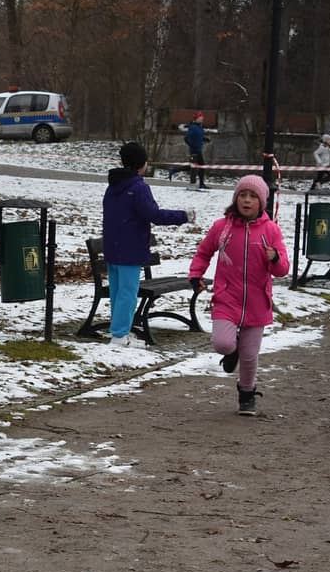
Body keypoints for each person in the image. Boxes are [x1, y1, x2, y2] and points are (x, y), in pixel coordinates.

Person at [188, 175, 290, 416]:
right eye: (242, 195)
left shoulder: (270, 231)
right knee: (223, 343)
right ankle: (231, 350)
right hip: (227, 297)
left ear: (261, 202)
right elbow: (204, 252)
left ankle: (247, 394)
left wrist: (275, 258)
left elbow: (282, 270)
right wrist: (195, 274)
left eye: (253, 196)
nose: (246, 200)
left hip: (257, 302)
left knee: (250, 356)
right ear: (235, 199)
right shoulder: (222, 227)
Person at [102, 141, 194, 348]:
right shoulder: (138, 187)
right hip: (130, 249)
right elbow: (154, 215)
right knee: (128, 293)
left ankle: (119, 331)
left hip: (112, 248)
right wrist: (183, 216)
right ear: (141, 164)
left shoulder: (113, 186)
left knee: (117, 292)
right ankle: (119, 336)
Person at [169, 111, 210, 189]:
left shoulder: (200, 127)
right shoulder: (192, 127)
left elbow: (199, 137)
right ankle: (201, 184)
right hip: (194, 151)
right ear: (196, 118)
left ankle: (173, 170)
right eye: (200, 117)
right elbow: (186, 138)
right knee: (199, 166)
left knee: (193, 166)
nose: (202, 118)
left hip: (198, 150)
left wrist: (205, 139)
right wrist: (193, 146)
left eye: (202, 117)